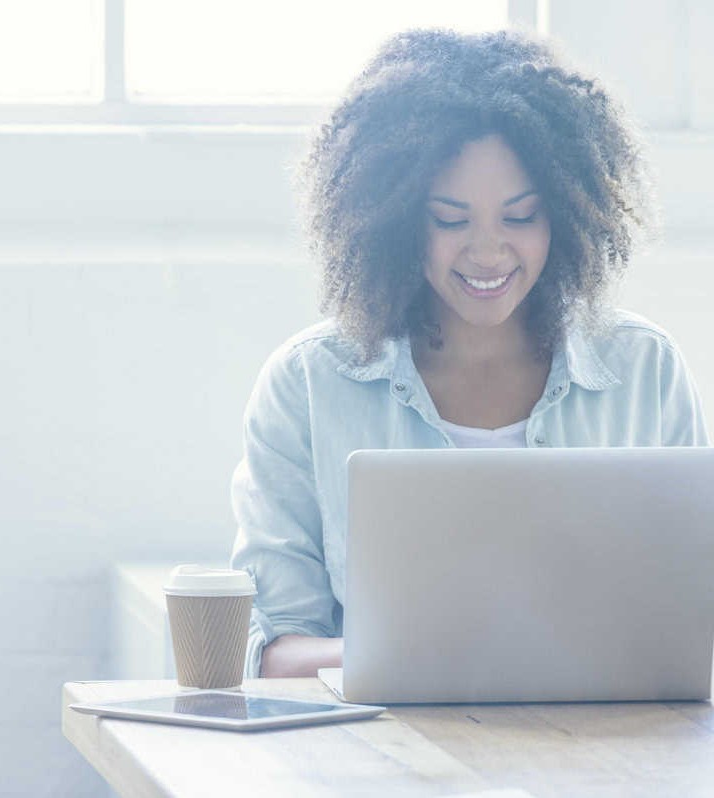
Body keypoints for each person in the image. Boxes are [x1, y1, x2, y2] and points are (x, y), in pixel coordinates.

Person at [229, 28, 709, 679]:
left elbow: (688, 620)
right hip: (385, 758)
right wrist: (431, 657)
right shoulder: (308, 384)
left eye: (519, 217)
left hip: (605, 753)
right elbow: (274, 651)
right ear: (393, 218)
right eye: (449, 220)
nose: (486, 252)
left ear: (567, 215)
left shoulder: (643, 371)